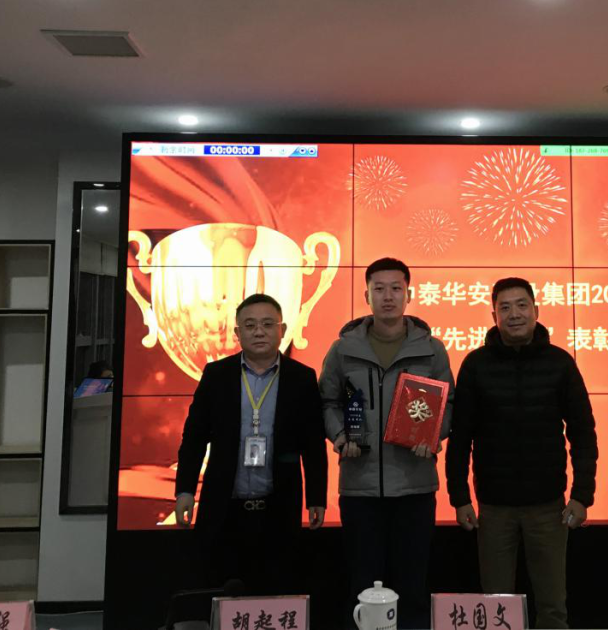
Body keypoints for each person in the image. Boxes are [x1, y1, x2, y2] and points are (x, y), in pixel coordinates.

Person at [445, 277, 598, 630]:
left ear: (536, 310)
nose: (514, 314)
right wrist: (460, 498)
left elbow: (582, 433)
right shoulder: (475, 365)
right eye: (505, 307)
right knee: (496, 605)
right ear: (494, 316)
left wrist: (582, 495)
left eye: (521, 305)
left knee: (553, 606)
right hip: (494, 508)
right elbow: (460, 436)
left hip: (548, 507)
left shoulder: (560, 363)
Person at [318, 257, 454, 629]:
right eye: (379, 289)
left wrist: (433, 436)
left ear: (409, 294)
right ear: (367, 296)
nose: (388, 296)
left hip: (414, 485)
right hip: (360, 487)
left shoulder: (432, 349)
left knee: (412, 585)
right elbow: (327, 402)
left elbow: (448, 405)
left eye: (396, 288)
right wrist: (340, 436)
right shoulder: (343, 350)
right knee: (362, 583)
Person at [174, 293, 327, 595]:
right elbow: (194, 438)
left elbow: (312, 443)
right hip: (224, 508)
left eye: (268, 324)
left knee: (275, 590)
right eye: (250, 325)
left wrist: (316, 497)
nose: (259, 332)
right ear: (237, 332)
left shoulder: (302, 378)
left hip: (278, 508)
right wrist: (185, 490)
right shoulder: (216, 375)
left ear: (283, 330)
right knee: (221, 590)